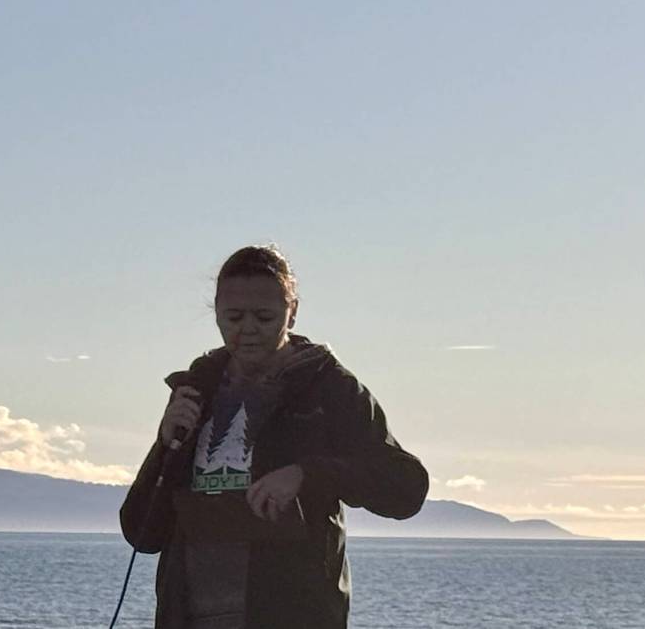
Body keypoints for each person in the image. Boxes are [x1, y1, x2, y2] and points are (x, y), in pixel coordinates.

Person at [120, 244, 429, 629]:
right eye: (233, 317)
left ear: (292, 311)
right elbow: (142, 532)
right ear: (215, 313)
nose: (247, 328)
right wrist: (165, 445)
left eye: (264, 317)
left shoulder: (331, 388)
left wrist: (305, 474)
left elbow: (406, 489)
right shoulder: (196, 389)